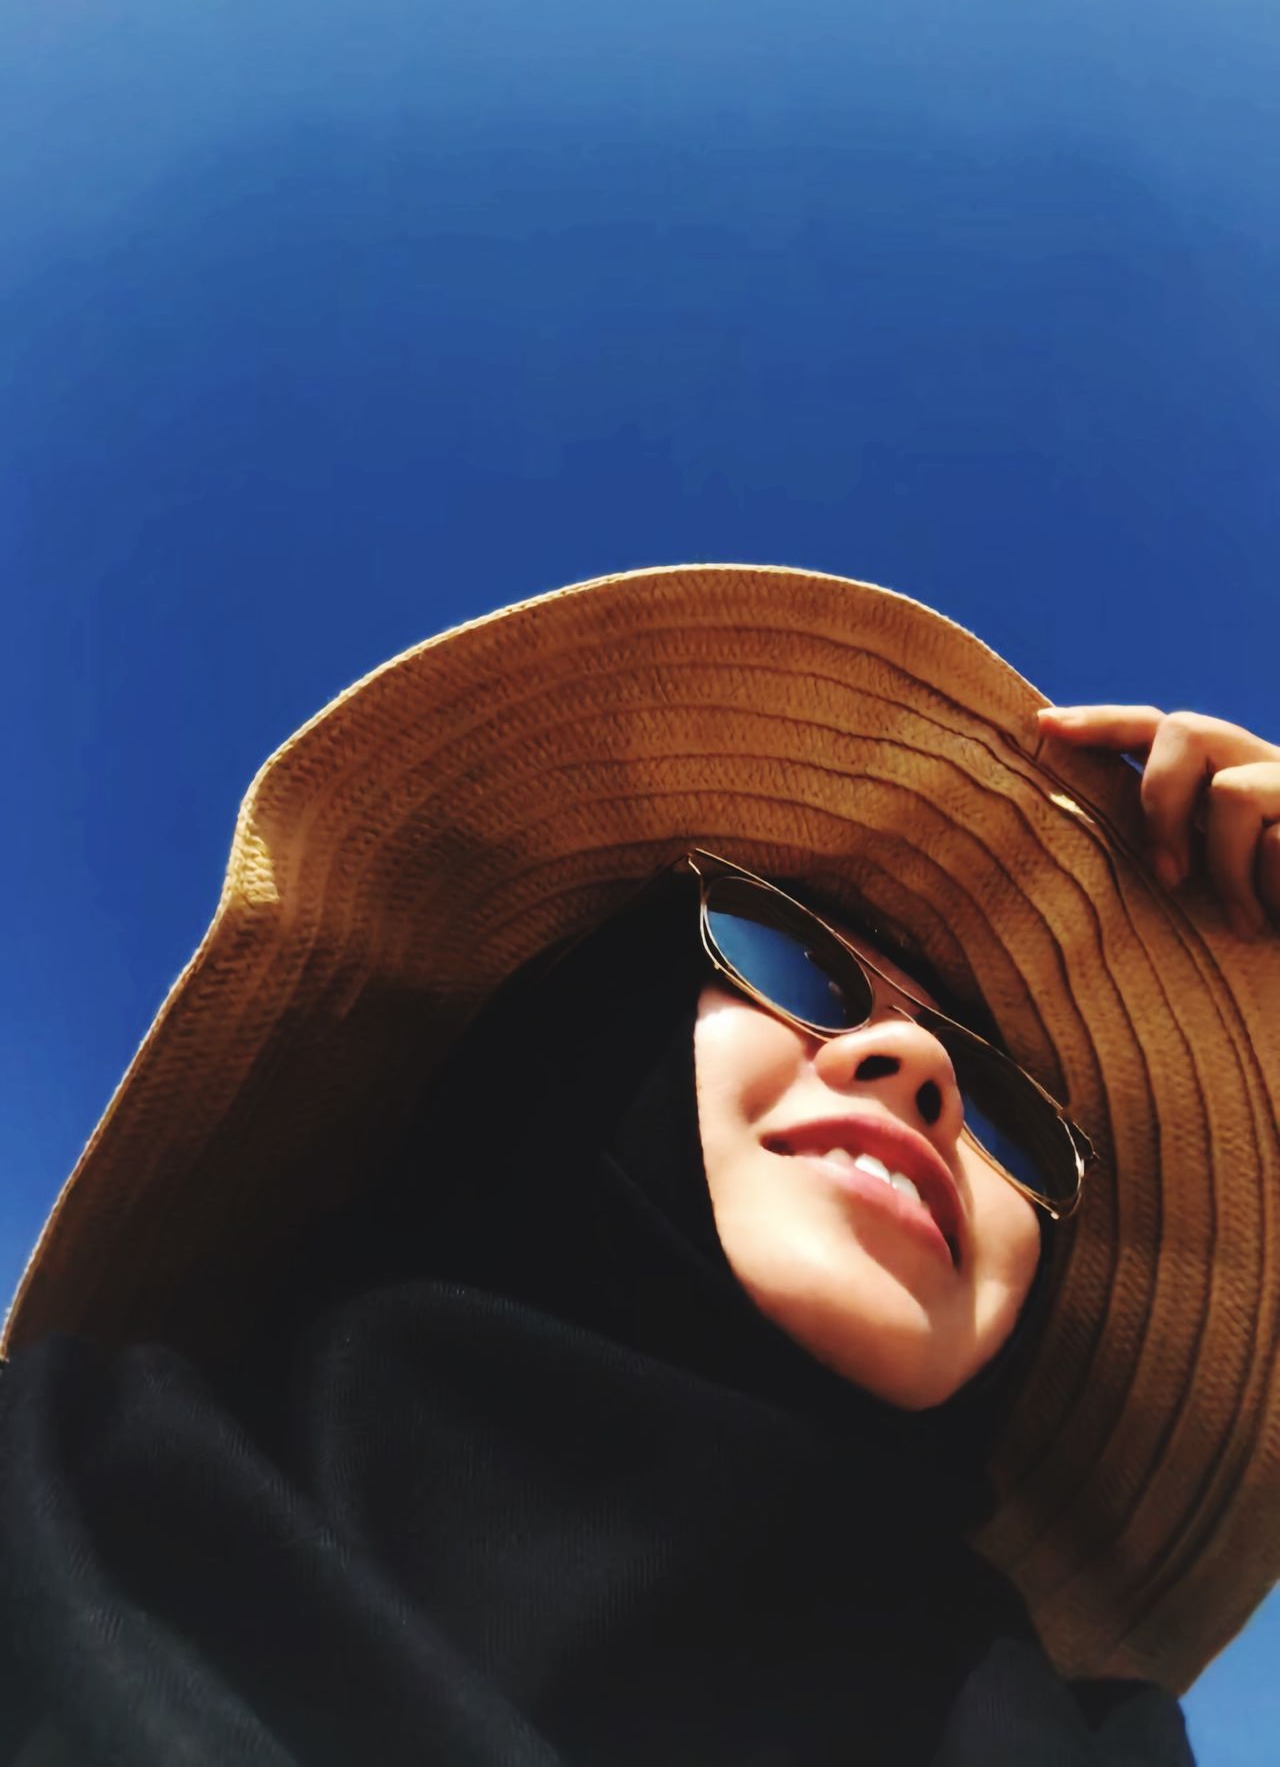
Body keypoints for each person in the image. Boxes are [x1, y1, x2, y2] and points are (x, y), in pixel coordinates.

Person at [0, 564, 1277, 1765]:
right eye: (787, 958)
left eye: (1007, 1110)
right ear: (582, 1052)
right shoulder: (47, 1509)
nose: (917, 1068)